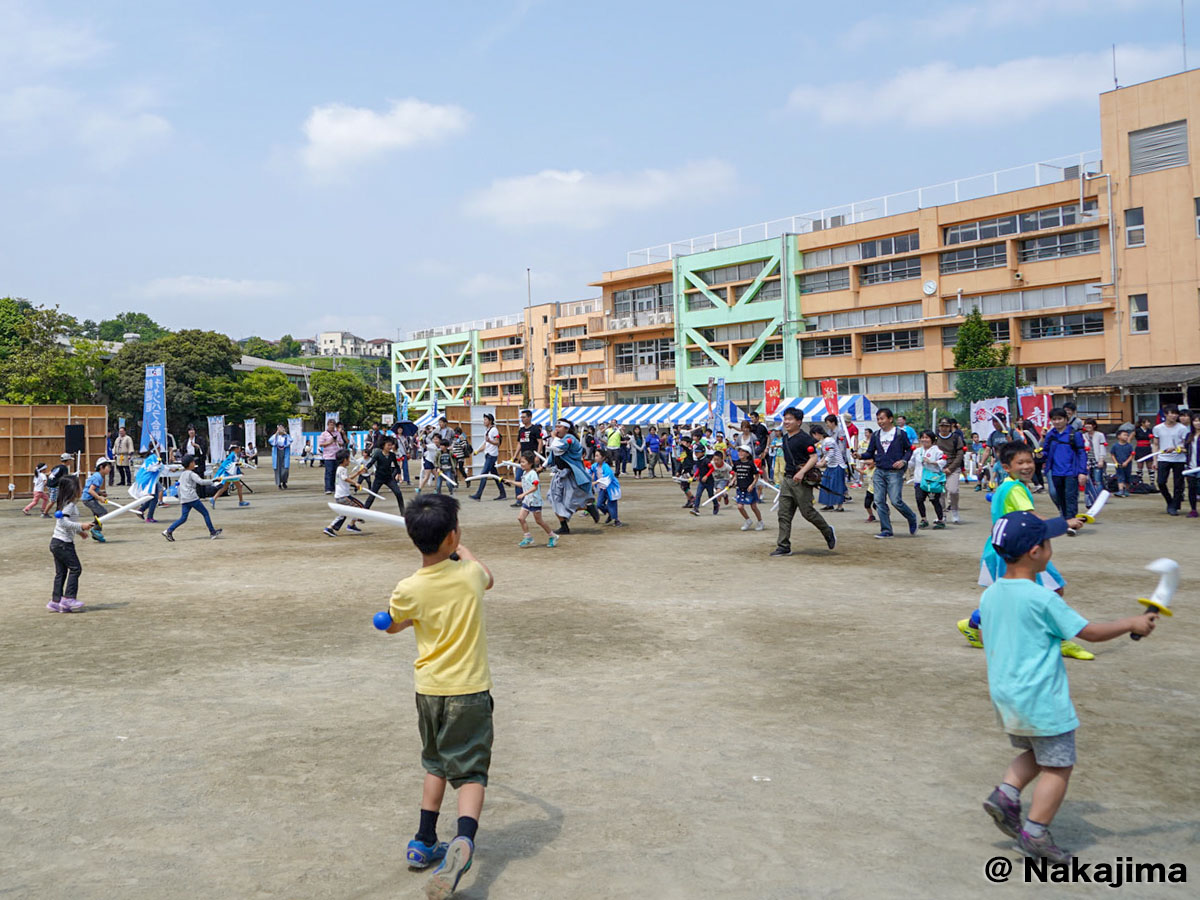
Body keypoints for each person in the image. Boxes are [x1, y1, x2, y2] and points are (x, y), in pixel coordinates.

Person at [977, 510, 1157, 862]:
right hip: (1041, 696)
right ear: (1035, 552)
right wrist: (1130, 622)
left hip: (1007, 694)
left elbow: (987, 634)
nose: (1051, 547)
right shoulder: (1043, 598)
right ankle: (1035, 833)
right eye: (1048, 542)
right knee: (1058, 765)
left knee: (1035, 751)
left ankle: (1006, 795)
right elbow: (1087, 633)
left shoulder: (992, 594)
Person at [381, 494, 495, 897]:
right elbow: (488, 576)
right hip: (469, 690)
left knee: (435, 763)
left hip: (429, 691)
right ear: (451, 537)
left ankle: (423, 840)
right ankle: (463, 841)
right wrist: (462, 548)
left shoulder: (408, 587)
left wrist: (402, 619)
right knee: (470, 773)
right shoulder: (469, 575)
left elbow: (395, 624)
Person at [958, 441, 1092, 661]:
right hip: (1021, 553)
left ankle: (974, 623)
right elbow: (1032, 519)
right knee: (1052, 591)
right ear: (1006, 466)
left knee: (1011, 596)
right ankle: (1059, 639)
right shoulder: (1016, 489)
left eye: (1029, 461)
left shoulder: (1006, 485)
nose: (1027, 466)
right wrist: (1064, 523)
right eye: (1020, 462)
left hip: (1001, 548)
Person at [770, 407, 836, 556]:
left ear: (799, 422)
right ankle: (783, 545)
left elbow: (814, 458)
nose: (786, 422)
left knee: (808, 512)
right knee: (784, 514)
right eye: (785, 419)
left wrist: (801, 472)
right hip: (787, 480)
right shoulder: (785, 438)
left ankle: (828, 531)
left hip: (801, 481)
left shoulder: (805, 439)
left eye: (790, 419)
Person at [859, 407, 917, 539]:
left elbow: (909, 450)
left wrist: (903, 461)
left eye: (882, 418)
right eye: (878, 419)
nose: (880, 421)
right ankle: (886, 529)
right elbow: (870, 452)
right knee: (879, 500)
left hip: (894, 472)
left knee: (896, 500)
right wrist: (860, 456)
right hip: (879, 470)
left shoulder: (899, 434)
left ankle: (911, 517)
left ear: (890, 419)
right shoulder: (876, 435)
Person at [45, 475, 93, 613]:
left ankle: (55, 601)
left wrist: (80, 531)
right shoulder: (69, 505)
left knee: (61, 573)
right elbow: (64, 523)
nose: (81, 489)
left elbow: (65, 525)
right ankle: (68, 599)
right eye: (79, 486)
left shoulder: (65, 504)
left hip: (56, 542)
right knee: (76, 569)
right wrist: (81, 525)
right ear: (73, 490)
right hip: (63, 544)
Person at [546, 418, 600, 534]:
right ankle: (564, 526)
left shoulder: (569, 439)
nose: (556, 429)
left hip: (571, 476)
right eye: (556, 426)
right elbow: (553, 454)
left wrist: (554, 437)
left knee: (571, 502)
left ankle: (588, 508)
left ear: (566, 428)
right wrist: (543, 466)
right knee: (554, 499)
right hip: (559, 476)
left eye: (559, 427)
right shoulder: (559, 439)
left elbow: (558, 447)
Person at [162, 454, 222, 541]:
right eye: (193, 462)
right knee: (205, 513)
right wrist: (214, 480)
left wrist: (180, 498)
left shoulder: (182, 474)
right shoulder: (191, 474)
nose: (194, 463)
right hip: (192, 498)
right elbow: (201, 482)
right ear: (190, 464)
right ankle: (212, 532)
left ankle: (169, 531)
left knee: (183, 518)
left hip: (184, 499)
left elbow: (178, 486)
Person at [1040, 409, 1087, 520]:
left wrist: (1082, 472)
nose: (1057, 422)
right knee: (1058, 496)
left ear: (1066, 420)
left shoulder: (1075, 434)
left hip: (1071, 471)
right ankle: (1065, 517)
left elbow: (1081, 453)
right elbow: (1045, 451)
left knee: (1070, 497)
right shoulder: (1051, 435)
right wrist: (1040, 455)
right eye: (1054, 419)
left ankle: (1071, 522)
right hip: (1055, 471)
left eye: (1060, 419)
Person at [514, 450, 557, 547]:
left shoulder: (533, 474)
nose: (521, 464)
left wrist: (522, 494)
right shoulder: (525, 473)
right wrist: (511, 482)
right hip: (527, 501)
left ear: (530, 463)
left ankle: (553, 536)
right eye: (521, 462)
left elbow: (534, 487)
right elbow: (523, 484)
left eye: (523, 462)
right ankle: (527, 537)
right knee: (521, 518)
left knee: (539, 521)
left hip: (534, 500)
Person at [1152, 404, 1189, 515]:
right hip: (1163, 458)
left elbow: (1186, 446)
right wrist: (1155, 460)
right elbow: (1155, 444)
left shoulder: (1182, 429)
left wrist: (1175, 448)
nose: (1174, 416)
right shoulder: (1157, 428)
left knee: (1178, 484)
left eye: (1175, 414)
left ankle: (1174, 506)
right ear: (1165, 414)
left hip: (1179, 459)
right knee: (1161, 482)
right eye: (1171, 413)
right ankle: (1170, 502)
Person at [323, 449, 366, 537]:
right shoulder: (342, 469)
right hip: (344, 496)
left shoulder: (341, 469)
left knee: (343, 514)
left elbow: (347, 477)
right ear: (344, 460)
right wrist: (355, 483)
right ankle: (353, 522)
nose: (349, 460)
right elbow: (345, 478)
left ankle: (330, 528)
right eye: (349, 458)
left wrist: (358, 473)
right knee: (360, 507)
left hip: (339, 496)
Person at [911, 431, 948, 529]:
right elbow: (911, 463)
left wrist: (932, 462)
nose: (924, 440)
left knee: (935, 500)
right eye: (922, 437)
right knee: (919, 499)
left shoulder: (937, 451)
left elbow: (943, 461)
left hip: (932, 480)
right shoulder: (917, 451)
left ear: (932, 439)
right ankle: (924, 519)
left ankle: (940, 520)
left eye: (927, 438)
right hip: (919, 479)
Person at [362, 434, 406, 513]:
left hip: (389, 478)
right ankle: (363, 513)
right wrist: (366, 468)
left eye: (391, 445)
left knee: (398, 493)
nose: (390, 447)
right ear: (383, 445)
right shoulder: (378, 454)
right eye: (388, 445)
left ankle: (403, 512)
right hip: (379, 478)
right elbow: (371, 462)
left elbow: (396, 466)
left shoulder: (392, 455)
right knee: (372, 495)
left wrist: (399, 475)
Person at [935, 418, 966, 523]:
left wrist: (950, 468)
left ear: (950, 427)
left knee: (953, 490)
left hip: (953, 467)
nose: (944, 428)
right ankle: (941, 514)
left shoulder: (955, 438)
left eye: (946, 426)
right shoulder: (935, 438)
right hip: (938, 468)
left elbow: (960, 454)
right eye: (942, 426)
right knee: (940, 492)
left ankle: (954, 511)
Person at [469, 414, 506, 502]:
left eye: (485, 419)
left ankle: (478, 494)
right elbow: (486, 444)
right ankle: (503, 493)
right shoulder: (488, 430)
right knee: (495, 476)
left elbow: (497, 442)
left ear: (490, 420)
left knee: (484, 474)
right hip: (488, 454)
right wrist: (477, 451)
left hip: (492, 455)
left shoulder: (494, 430)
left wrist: (490, 441)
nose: (484, 421)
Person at [815, 423, 847, 512]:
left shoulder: (829, 441)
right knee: (826, 484)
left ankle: (840, 506)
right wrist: (820, 462)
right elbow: (826, 455)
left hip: (837, 465)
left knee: (837, 485)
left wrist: (822, 463)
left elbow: (831, 454)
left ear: (817, 434)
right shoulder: (824, 442)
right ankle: (829, 504)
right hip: (831, 465)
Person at [732, 443, 764, 531]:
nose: (740, 453)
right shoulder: (736, 463)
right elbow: (735, 474)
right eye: (739, 451)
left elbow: (756, 476)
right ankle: (748, 520)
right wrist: (733, 481)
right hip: (740, 488)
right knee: (740, 506)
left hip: (749, 488)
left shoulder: (751, 464)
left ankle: (760, 521)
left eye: (743, 451)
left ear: (747, 454)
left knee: (753, 506)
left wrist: (752, 485)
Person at [592, 448, 624, 526]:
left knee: (612, 504)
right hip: (602, 488)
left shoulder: (606, 467)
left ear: (603, 457)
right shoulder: (594, 466)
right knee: (599, 504)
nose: (595, 458)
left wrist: (596, 482)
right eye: (595, 456)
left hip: (610, 488)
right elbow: (590, 472)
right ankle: (609, 513)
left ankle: (616, 520)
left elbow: (607, 477)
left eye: (597, 456)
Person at [82, 459, 112, 543]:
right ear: (101, 467)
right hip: (88, 499)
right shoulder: (98, 477)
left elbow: (94, 489)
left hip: (89, 498)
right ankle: (95, 529)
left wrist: (101, 493)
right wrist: (99, 498)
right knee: (103, 513)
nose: (110, 469)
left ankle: (96, 531)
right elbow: (90, 491)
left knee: (98, 515)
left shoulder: (99, 476)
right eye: (108, 467)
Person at [1080, 418, 1108, 496]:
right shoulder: (1082, 436)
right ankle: (1089, 496)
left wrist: (1101, 459)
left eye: (1090, 424)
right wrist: (1084, 463)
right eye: (1086, 424)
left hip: (1097, 460)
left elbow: (1102, 447)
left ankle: (1098, 497)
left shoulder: (1100, 435)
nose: (1088, 426)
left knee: (1098, 480)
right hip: (1087, 460)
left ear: (1094, 426)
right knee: (1087, 480)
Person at [318, 420, 343, 494]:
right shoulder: (324, 434)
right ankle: (328, 488)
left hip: (337, 455)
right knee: (329, 472)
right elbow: (321, 444)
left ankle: (333, 487)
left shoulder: (337, 433)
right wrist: (329, 442)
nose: (332, 426)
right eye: (330, 425)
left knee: (336, 473)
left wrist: (337, 442)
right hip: (328, 456)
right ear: (328, 425)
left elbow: (341, 442)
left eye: (333, 425)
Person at [1110, 427, 1135, 498]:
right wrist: (1116, 462)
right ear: (1119, 436)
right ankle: (1120, 490)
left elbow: (1131, 455)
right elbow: (1112, 454)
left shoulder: (1129, 446)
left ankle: (1126, 490)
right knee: (1120, 476)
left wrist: (1126, 462)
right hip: (1118, 465)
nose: (1126, 437)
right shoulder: (1115, 446)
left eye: (1127, 435)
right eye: (1124, 435)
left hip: (1128, 464)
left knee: (1127, 477)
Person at [269, 424, 292, 489]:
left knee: (285, 468)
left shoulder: (286, 436)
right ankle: (279, 483)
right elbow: (271, 441)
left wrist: (285, 433)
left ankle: (284, 481)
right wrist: (277, 433)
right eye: (279, 428)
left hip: (285, 452)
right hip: (277, 452)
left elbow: (290, 440)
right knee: (277, 468)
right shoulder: (275, 436)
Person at [1185, 413, 1200, 517]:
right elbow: (1187, 449)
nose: (1197, 423)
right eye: (1195, 421)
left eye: (1199, 421)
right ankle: (1193, 509)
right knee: (1191, 488)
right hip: (1191, 467)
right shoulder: (1189, 435)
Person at [1133, 416, 1155, 480]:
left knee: (1149, 466)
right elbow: (1130, 438)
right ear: (1142, 423)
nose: (1149, 423)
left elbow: (1154, 439)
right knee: (1140, 465)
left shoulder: (1150, 430)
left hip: (1148, 448)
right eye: (1147, 422)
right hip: (1140, 448)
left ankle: (1152, 481)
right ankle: (1139, 480)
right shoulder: (1137, 430)